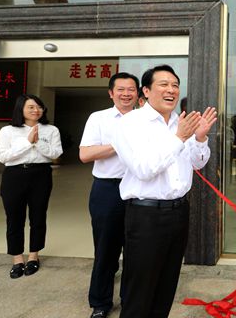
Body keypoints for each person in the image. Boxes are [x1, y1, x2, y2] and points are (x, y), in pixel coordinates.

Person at [112, 65, 217, 318]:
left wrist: (200, 138)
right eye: (164, 84)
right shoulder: (130, 123)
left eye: (175, 85)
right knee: (140, 288)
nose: (171, 90)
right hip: (146, 216)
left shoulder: (181, 123)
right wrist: (179, 138)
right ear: (146, 91)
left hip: (179, 211)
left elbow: (197, 163)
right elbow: (143, 169)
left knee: (167, 284)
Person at [79, 72, 139, 318]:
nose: (126, 94)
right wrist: (119, 145)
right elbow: (85, 154)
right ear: (111, 93)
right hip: (107, 190)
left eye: (131, 89)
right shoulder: (99, 118)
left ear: (139, 93)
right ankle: (100, 303)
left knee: (135, 250)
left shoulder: (145, 120)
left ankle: (130, 301)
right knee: (105, 249)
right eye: (121, 89)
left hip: (139, 190)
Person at [0, 94, 62, 279]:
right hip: (14, 176)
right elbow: (2, 156)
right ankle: (17, 259)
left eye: (39, 107)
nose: (36, 110)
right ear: (21, 109)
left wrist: (38, 142)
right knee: (14, 218)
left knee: (38, 216)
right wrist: (27, 142)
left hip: (41, 174)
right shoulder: (8, 130)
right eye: (31, 107)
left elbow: (56, 153)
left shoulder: (51, 130)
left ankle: (33, 256)